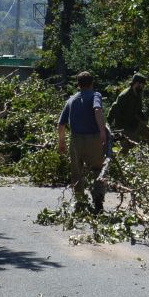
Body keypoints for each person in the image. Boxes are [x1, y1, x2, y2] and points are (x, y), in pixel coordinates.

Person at [57, 70, 109, 213]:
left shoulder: (71, 100)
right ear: (92, 83)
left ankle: (80, 202)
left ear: (78, 84)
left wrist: (62, 143)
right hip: (93, 138)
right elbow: (97, 109)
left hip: (75, 141)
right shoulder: (95, 95)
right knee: (98, 169)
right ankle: (98, 200)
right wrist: (102, 131)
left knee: (77, 172)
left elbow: (61, 125)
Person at [107, 73, 149, 151]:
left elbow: (139, 110)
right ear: (137, 83)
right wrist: (108, 125)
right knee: (129, 146)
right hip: (124, 126)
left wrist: (144, 120)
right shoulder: (125, 95)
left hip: (134, 123)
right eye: (142, 85)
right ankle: (121, 160)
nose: (143, 87)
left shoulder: (138, 94)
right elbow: (114, 108)